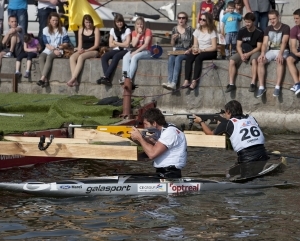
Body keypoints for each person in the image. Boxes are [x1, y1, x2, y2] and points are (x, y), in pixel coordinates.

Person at [193, 100, 269, 177]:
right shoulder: (251, 118)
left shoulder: (227, 123)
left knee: (229, 175)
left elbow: (210, 134)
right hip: (263, 155)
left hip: (246, 159)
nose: (225, 115)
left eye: (225, 113)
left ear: (228, 112)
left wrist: (201, 122)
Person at [130, 108, 187, 178]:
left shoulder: (170, 132)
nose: (144, 127)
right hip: (162, 172)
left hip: (170, 174)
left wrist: (140, 138)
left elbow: (152, 154)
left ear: (154, 123)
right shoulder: (162, 130)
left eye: (146, 124)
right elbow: (149, 144)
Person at [225, 12, 264, 93]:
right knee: (232, 60)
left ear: (253, 22)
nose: (247, 24)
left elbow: (259, 47)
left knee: (254, 60)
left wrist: (248, 54)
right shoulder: (242, 30)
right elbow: (238, 45)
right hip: (243, 51)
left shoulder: (259, 31)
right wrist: (242, 54)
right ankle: (231, 84)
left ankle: (253, 83)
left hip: (254, 51)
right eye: (246, 22)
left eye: (249, 22)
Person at [256, 9, 290, 98]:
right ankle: (261, 86)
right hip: (271, 50)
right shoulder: (268, 28)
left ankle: (277, 86)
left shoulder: (285, 27)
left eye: (274, 19)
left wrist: (280, 54)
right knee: (260, 61)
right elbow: (264, 43)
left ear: (278, 17)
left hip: (283, 50)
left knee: (280, 60)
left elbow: (284, 42)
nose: (272, 21)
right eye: (270, 19)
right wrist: (262, 53)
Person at [182, 12, 217, 90]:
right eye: (200, 19)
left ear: (208, 21)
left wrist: (202, 50)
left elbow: (214, 47)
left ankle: (195, 81)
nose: (200, 21)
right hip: (200, 50)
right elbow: (195, 44)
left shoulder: (212, 32)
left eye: (203, 20)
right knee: (189, 57)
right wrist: (195, 49)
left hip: (209, 51)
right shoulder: (197, 31)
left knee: (198, 59)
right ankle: (186, 80)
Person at [161, 12, 193, 90]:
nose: (181, 20)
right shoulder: (174, 29)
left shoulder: (190, 29)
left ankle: (174, 83)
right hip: (176, 49)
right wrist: (173, 38)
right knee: (171, 58)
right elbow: (172, 44)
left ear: (186, 19)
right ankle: (169, 81)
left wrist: (189, 50)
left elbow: (193, 44)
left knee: (178, 58)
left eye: (183, 18)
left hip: (186, 50)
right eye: (179, 18)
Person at [97, 13, 131, 86]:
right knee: (104, 57)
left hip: (125, 50)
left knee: (116, 57)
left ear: (123, 22)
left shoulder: (127, 30)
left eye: (121, 22)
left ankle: (105, 77)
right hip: (116, 49)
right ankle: (107, 78)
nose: (119, 23)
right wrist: (121, 43)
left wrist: (116, 42)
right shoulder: (112, 30)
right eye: (118, 22)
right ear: (115, 23)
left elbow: (127, 44)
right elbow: (110, 44)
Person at [67, 14, 100, 87]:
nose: (88, 24)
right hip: (83, 49)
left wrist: (87, 50)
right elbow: (80, 44)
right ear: (84, 23)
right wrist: (79, 50)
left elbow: (96, 45)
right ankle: (75, 80)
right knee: (72, 58)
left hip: (93, 50)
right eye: (86, 22)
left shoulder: (96, 29)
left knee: (81, 57)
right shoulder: (81, 30)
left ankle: (73, 78)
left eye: (89, 22)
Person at [38, 12, 70, 87]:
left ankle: (42, 78)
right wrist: (53, 49)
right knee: (41, 57)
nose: (55, 22)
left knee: (49, 57)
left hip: (59, 49)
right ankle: (45, 80)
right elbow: (46, 43)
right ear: (49, 21)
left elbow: (66, 43)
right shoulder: (45, 29)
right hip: (48, 49)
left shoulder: (62, 29)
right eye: (53, 20)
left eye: (56, 20)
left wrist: (59, 47)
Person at [120, 17, 152, 82]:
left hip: (146, 51)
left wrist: (136, 52)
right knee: (125, 57)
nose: (139, 26)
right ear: (136, 25)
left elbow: (146, 45)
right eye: (138, 24)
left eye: (141, 24)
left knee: (134, 57)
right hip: (136, 50)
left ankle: (129, 78)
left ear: (144, 24)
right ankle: (125, 76)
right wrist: (138, 35)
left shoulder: (148, 31)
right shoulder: (134, 32)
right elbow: (134, 44)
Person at [286, 9, 300, 95]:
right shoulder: (294, 29)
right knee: (289, 59)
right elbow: (293, 46)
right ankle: (297, 84)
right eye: (294, 18)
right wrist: (296, 53)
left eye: (297, 18)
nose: (295, 20)